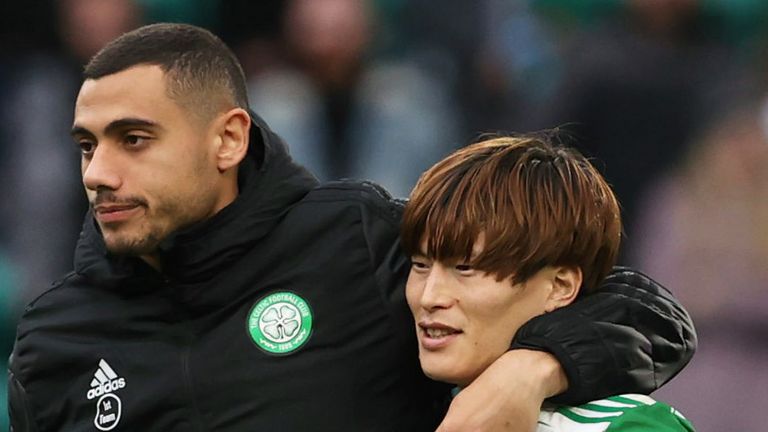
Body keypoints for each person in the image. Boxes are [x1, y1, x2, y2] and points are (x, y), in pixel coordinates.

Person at [8, 23, 695, 431]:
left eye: (133, 139)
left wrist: (530, 369)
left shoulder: (352, 241)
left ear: (228, 140)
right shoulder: (53, 343)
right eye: (86, 146)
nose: (98, 172)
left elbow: (638, 308)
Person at [402, 135, 696, 431]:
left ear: (560, 287)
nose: (429, 297)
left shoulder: (630, 426)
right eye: (420, 265)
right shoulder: (395, 401)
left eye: (465, 268)